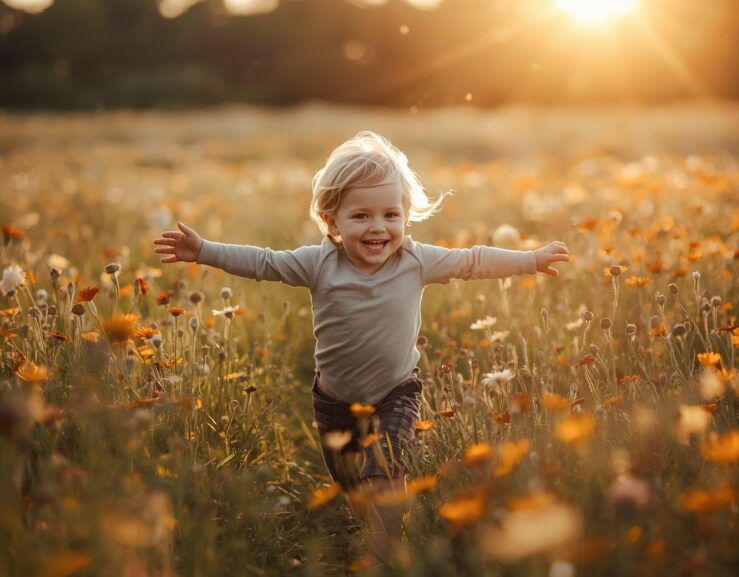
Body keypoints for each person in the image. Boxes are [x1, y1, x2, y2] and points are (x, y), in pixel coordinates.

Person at [153, 131, 569, 561]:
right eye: (361, 216)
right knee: (352, 482)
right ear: (333, 223)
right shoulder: (319, 264)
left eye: (391, 214)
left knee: (387, 474)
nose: (378, 227)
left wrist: (530, 260)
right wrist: (204, 250)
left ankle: (385, 558)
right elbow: (263, 263)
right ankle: (366, 522)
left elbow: (473, 260)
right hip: (334, 401)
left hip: (395, 393)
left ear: (406, 215)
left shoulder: (416, 260)